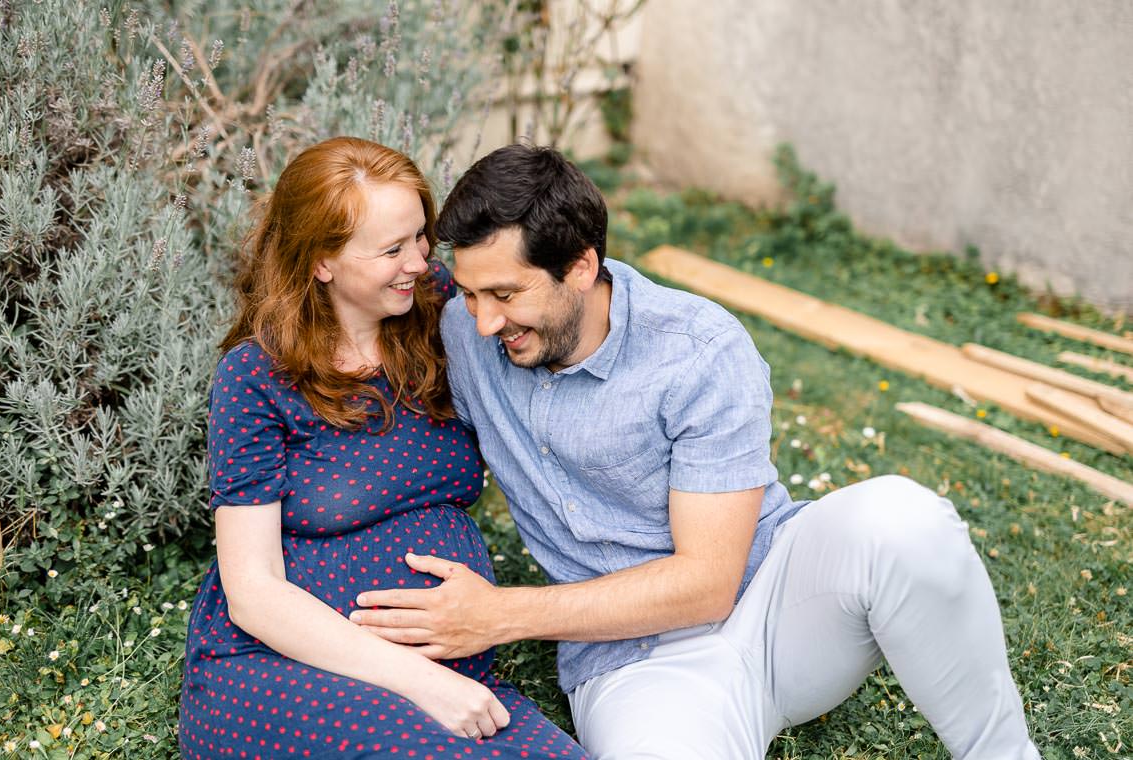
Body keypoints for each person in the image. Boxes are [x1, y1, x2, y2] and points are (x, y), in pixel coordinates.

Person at [349, 144, 1042, 759]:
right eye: (469, 292)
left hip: (776, 606)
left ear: (582, 267)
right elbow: (350, 325)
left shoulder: (699, 349)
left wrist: (502, 614)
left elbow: (709, 581)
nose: (484, 319)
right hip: (633, 667)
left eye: (505, 293)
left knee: (904, 520)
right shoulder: (467, 334)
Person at [178, 137, 588, 759]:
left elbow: (551, 290)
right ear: (322, 262)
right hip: (284, 670)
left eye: (421, 237)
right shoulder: (257, 376)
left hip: (449, 672)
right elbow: (253, 591)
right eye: (392, 249)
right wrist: (424, 681)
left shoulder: (447, 313)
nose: (419, 262)